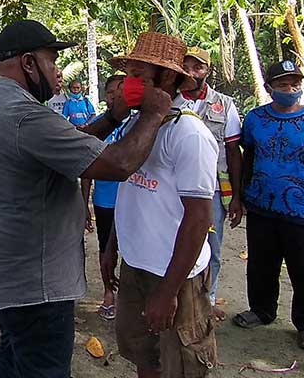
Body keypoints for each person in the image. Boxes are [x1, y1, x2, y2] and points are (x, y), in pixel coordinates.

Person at [0, 20, 172, 378]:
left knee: (15, 361)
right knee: (40, 366)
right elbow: (119, 163)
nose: (57, 71)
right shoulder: (25, 116)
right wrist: (155, 113)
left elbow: (73, 141)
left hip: (12, 276)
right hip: (35, 287)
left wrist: (113, 118)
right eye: (52, 61)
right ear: (29, 63)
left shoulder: (5, 104)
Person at [101, 32, 219, 378]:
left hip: (175, 277)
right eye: (128, 76)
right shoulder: (140, 125)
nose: (128, 86)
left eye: (138, 76)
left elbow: (199, 218)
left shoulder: (189, 134)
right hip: (136, 267)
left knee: (180, 365)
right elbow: (131, 195)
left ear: (167, 78)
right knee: (145, 359)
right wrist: (112, 249)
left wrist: (168, 292)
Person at [233, 60, 304, 351]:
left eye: (295, 83)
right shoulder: (255, 119)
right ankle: (261, 310)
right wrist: (242, 194)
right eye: (283, 84)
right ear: (270, 88)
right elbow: (249, 156)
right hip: (261, 205)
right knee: (260, 263)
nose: (290, 89)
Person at [180, 47, 243, 321]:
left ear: (208, 71)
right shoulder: (169, 100)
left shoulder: (225, 105)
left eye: (199, 67)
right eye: (188, 67)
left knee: (212, 246)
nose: (193, 73)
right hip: (176, 188)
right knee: (178, 241)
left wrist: (237, 197)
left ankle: (208, 298)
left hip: (212, 190)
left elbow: (233, 152)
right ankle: (179, 295)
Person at [80, 74, 127, 321]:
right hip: (105, 200)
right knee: (105, 247)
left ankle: (129, 296)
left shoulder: (138, 123)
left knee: (130, 248)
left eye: (123, 90)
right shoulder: (97, 125)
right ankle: (109, 293)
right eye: (112, 92)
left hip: (132, 201)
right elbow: (86, 166)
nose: (117, 96)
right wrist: (84, 203)